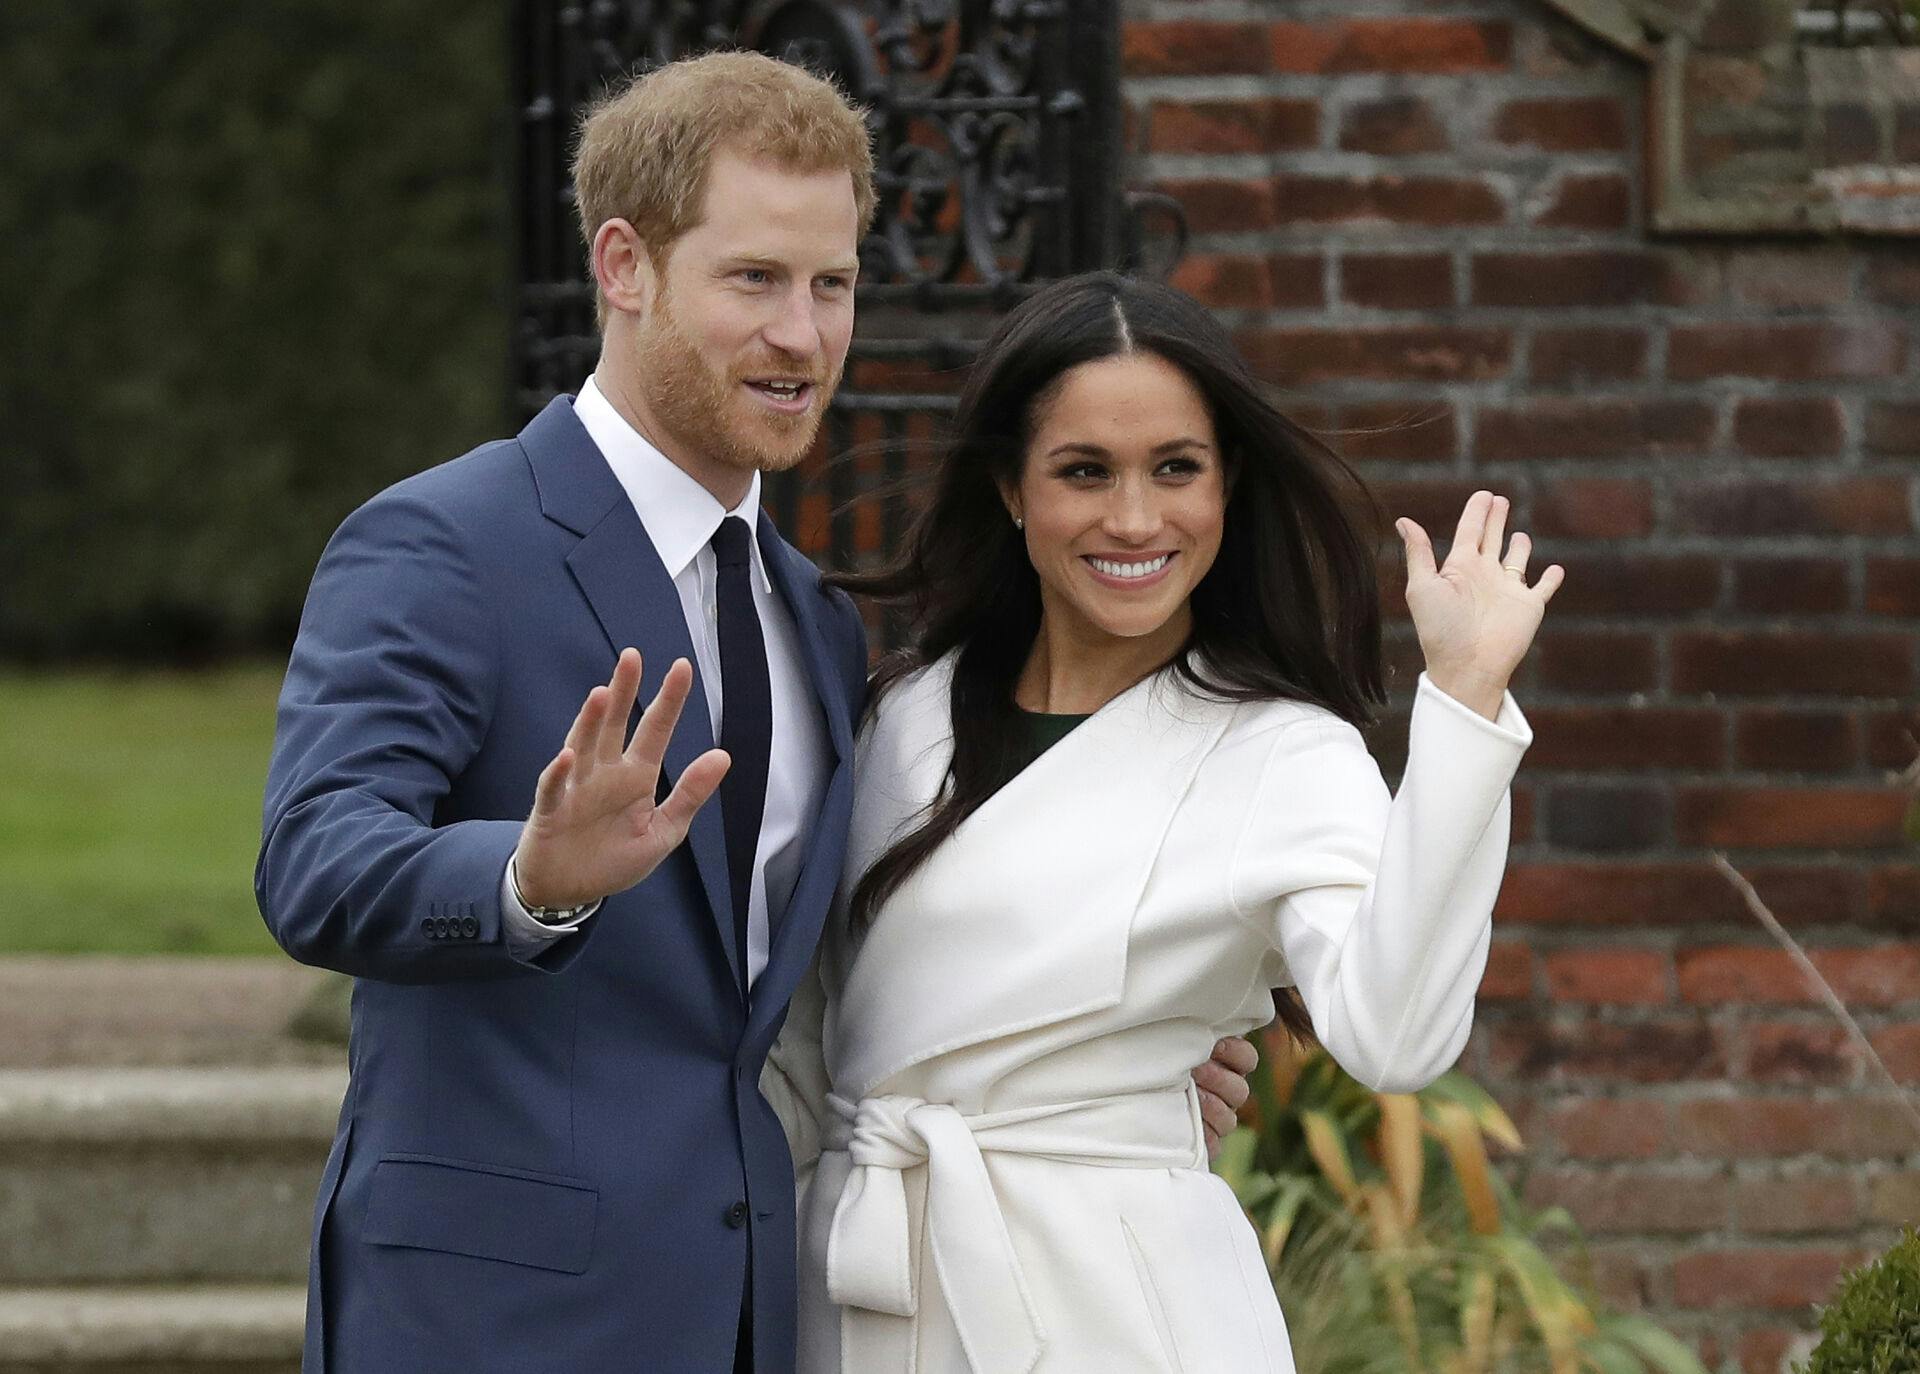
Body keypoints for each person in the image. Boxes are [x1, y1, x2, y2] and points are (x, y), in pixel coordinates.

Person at [256, 53, 1250, 1374]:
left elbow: (834, 983)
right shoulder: (445, 542)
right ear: (624, 266)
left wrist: (1095, 1061)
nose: (804, 334)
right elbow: (312, 859)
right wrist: (528, 876)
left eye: (831, 283)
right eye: (755, 280)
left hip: (757, 1315)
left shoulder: (813, 619)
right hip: (493, 1318)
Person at [765, 272, 1563, 1373]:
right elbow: (799, 1036)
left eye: (1175, 469)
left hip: (1119, 1312)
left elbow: (1397, 1036)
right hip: (858, 1289)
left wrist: (1465, 706)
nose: (1135, 519)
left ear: (1227, 484)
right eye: (1084, 471)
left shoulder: (1283, 755)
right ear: (1012, 487)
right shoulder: (899, 715)